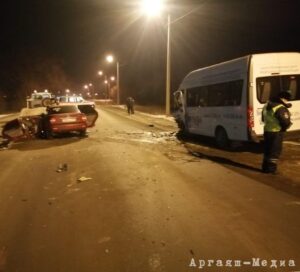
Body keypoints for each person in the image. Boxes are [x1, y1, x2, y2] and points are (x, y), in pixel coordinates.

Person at [261, 90, 293, 174]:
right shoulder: (280, 107)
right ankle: (271, 170)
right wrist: (285, 127)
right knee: (275, 151)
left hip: (267, 131)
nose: (287, 101)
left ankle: (265, 168)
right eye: (286, 99)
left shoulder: (267, 105)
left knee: (267, 150)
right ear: (282, 98)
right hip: (277, 132)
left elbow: (263, 119)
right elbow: (285, 121)